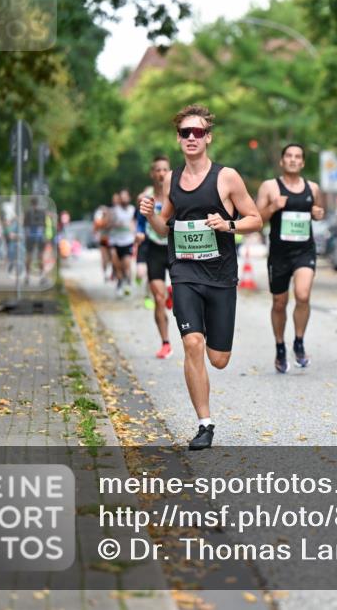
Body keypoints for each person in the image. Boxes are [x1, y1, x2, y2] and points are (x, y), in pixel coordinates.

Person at [140, 104, 262, 450]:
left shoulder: (227, 177)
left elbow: (255, 219)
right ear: (178, 139)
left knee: (218, 359)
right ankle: (204, 424)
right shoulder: (171, 179)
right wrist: (150, 215)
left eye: (197, 132)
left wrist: (229, 224)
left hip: (220, 275)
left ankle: (210, 330)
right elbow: (165, 228)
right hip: (184, 272)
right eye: (185, 133)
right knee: (192, 343)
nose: (191, 138)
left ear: (208, 137)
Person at [255, 143, 325, 373]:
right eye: (289, 156)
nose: (293, 159)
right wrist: (273, 207)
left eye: (298, 156)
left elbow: (318, 212)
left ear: (302, 162)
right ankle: (280, 346)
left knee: (303, 295)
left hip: (304, 250)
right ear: (282, 161)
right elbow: (257, 220)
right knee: (279, 302)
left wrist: (317, 214)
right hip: (279, 253)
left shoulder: (312, 188)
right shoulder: (270, 187)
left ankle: (299, 342)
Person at [138, 155, 173, 359]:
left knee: (182, 295)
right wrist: (139, 233)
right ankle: (165, 342)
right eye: (158, 170)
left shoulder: (176, 193)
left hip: (175, 248)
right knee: (159, 299)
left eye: (165, 169)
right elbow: (140, 221)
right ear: (152, 174)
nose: (161, 173)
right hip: (154, 249)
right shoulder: (146, 197)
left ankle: (172, 293)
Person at [109, 189, 136, 295]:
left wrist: (134, 230)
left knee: (126, 264)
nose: (124, 199)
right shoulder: (114, 210)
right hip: (115, 241)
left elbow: (134, 223)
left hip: (128, 241)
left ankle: (128, 282)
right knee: (116, 264)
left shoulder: (132, 210)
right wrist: (115, 224)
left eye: (126, 197)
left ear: (129, 198)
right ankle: (120, 282)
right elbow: (108, 224)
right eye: (122, 197)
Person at [24, 197, 47, 283]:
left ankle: (27, 277)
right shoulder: (42, 212)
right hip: (40, 235)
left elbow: (25, 226)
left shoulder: (27, 212)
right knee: (40, 256)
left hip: (30, 235)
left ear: (31, 203)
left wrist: (26, 236)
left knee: (28, 256)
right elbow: (44, 225)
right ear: (38, 203)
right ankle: (42, 277)